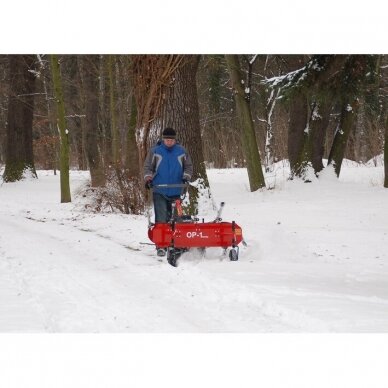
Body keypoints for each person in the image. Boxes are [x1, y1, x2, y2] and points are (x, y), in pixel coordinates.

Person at [143, 127, 193, 256]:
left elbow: (188, 166)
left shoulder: (182, 151)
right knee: (161, 218)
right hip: (159, 189)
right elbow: (148, 167)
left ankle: (179, 242)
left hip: (177, 190)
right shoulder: (155, 151)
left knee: (178, 218)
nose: (169, 142)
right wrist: (148, 179)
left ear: (175, 140)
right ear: (163, 139)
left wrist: (186, 177)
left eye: (171, 140)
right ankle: (161, 245)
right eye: (167, 140)